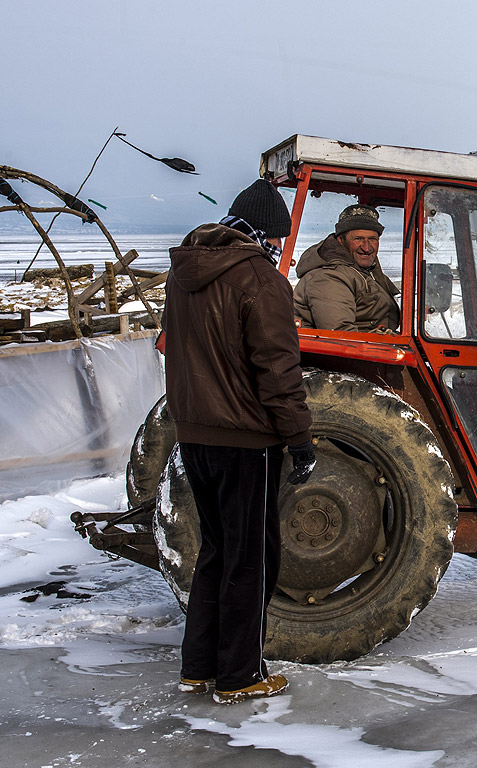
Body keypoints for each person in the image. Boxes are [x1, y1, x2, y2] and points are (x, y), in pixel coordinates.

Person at [162, 179, 316, 705]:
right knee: (252, 556)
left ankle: (199, 666)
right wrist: (300, 439)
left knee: (217, 550)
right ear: (271, 234)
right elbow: (277, 370)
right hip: (245, 438)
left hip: (193, 433)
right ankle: (240, 674)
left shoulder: (183, 275)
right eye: (280, 236)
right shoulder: (262, 281)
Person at [293, 204, 400, 333]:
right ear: (340, 240)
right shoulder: (328, 278)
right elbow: (340, 335)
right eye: (358, 239)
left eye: (372, 239)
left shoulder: (367, 271)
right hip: (342, 351)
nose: (366, 247)